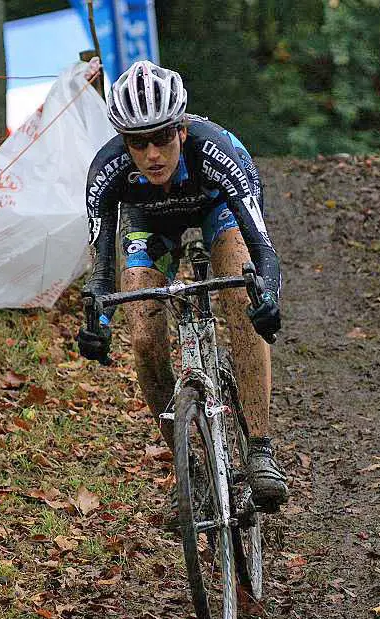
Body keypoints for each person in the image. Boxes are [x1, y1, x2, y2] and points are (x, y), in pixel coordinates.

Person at [78, 60, 288, 512]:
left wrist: (268, 294)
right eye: (138, 142)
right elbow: (101, 270)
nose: (152, 154)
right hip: (148, 225)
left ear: (182, 131)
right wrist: (97, 319)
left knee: (240, 292)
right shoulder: (108, 171)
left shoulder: (219, 153)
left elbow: (262, 247)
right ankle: (187, 469)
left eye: (161, 138)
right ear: (123, 141)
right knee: (144, 335)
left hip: (216, 212)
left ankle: (260, 448)